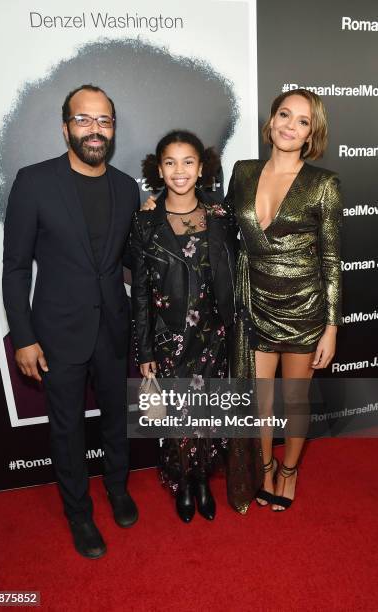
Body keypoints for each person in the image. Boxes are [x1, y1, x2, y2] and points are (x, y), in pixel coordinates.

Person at [3, 84, 139, 559]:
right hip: (57, 333)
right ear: (66, 128)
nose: (94, 129)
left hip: (114, 329)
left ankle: (117, 489)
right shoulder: (34, 182)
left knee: (117, 420)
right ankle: (79, 513)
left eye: (103, 120)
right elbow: (16, 268)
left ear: (113, 129)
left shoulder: (126, 187)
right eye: (84, 120)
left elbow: (130, 261)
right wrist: (24, 337)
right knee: (66, 429)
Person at [130, 130, 262, 522]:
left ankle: (203, 478)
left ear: (201, 167)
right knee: (176, 413)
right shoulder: (145, 222)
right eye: (170, 162)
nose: (179, 171)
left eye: (188, 162)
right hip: (170, 338)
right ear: (159, 169)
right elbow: (139, 292)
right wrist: (145, 350)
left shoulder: (222, 216)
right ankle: (184, 482)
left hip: (215, 334)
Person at [227, 89, 342, 510]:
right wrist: (170, 211)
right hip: (255, 303)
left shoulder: (323, 184)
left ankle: (289, 470)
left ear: (313, 133)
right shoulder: (242, 172)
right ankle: (263, 466)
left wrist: (331, 327)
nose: (290, 126)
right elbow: (223, 221)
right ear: (271, 121)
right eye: (284, 114)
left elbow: (331, 259)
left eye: (303, 121)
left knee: (294, 402)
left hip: (304, 309)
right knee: (260, 404)